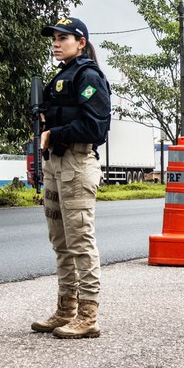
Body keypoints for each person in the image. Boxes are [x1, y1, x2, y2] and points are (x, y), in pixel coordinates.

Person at [31, 17, 111, 339]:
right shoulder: (61, 76)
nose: (55, 42)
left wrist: (56, 131)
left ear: (81, 42)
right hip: (55, 164)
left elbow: (96, 128)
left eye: (63, 37)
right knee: (61, 242)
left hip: (77, 163)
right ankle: (66, 310)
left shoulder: (88, 75)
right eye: (54, 37)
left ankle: (88, 316)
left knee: (80, 242)